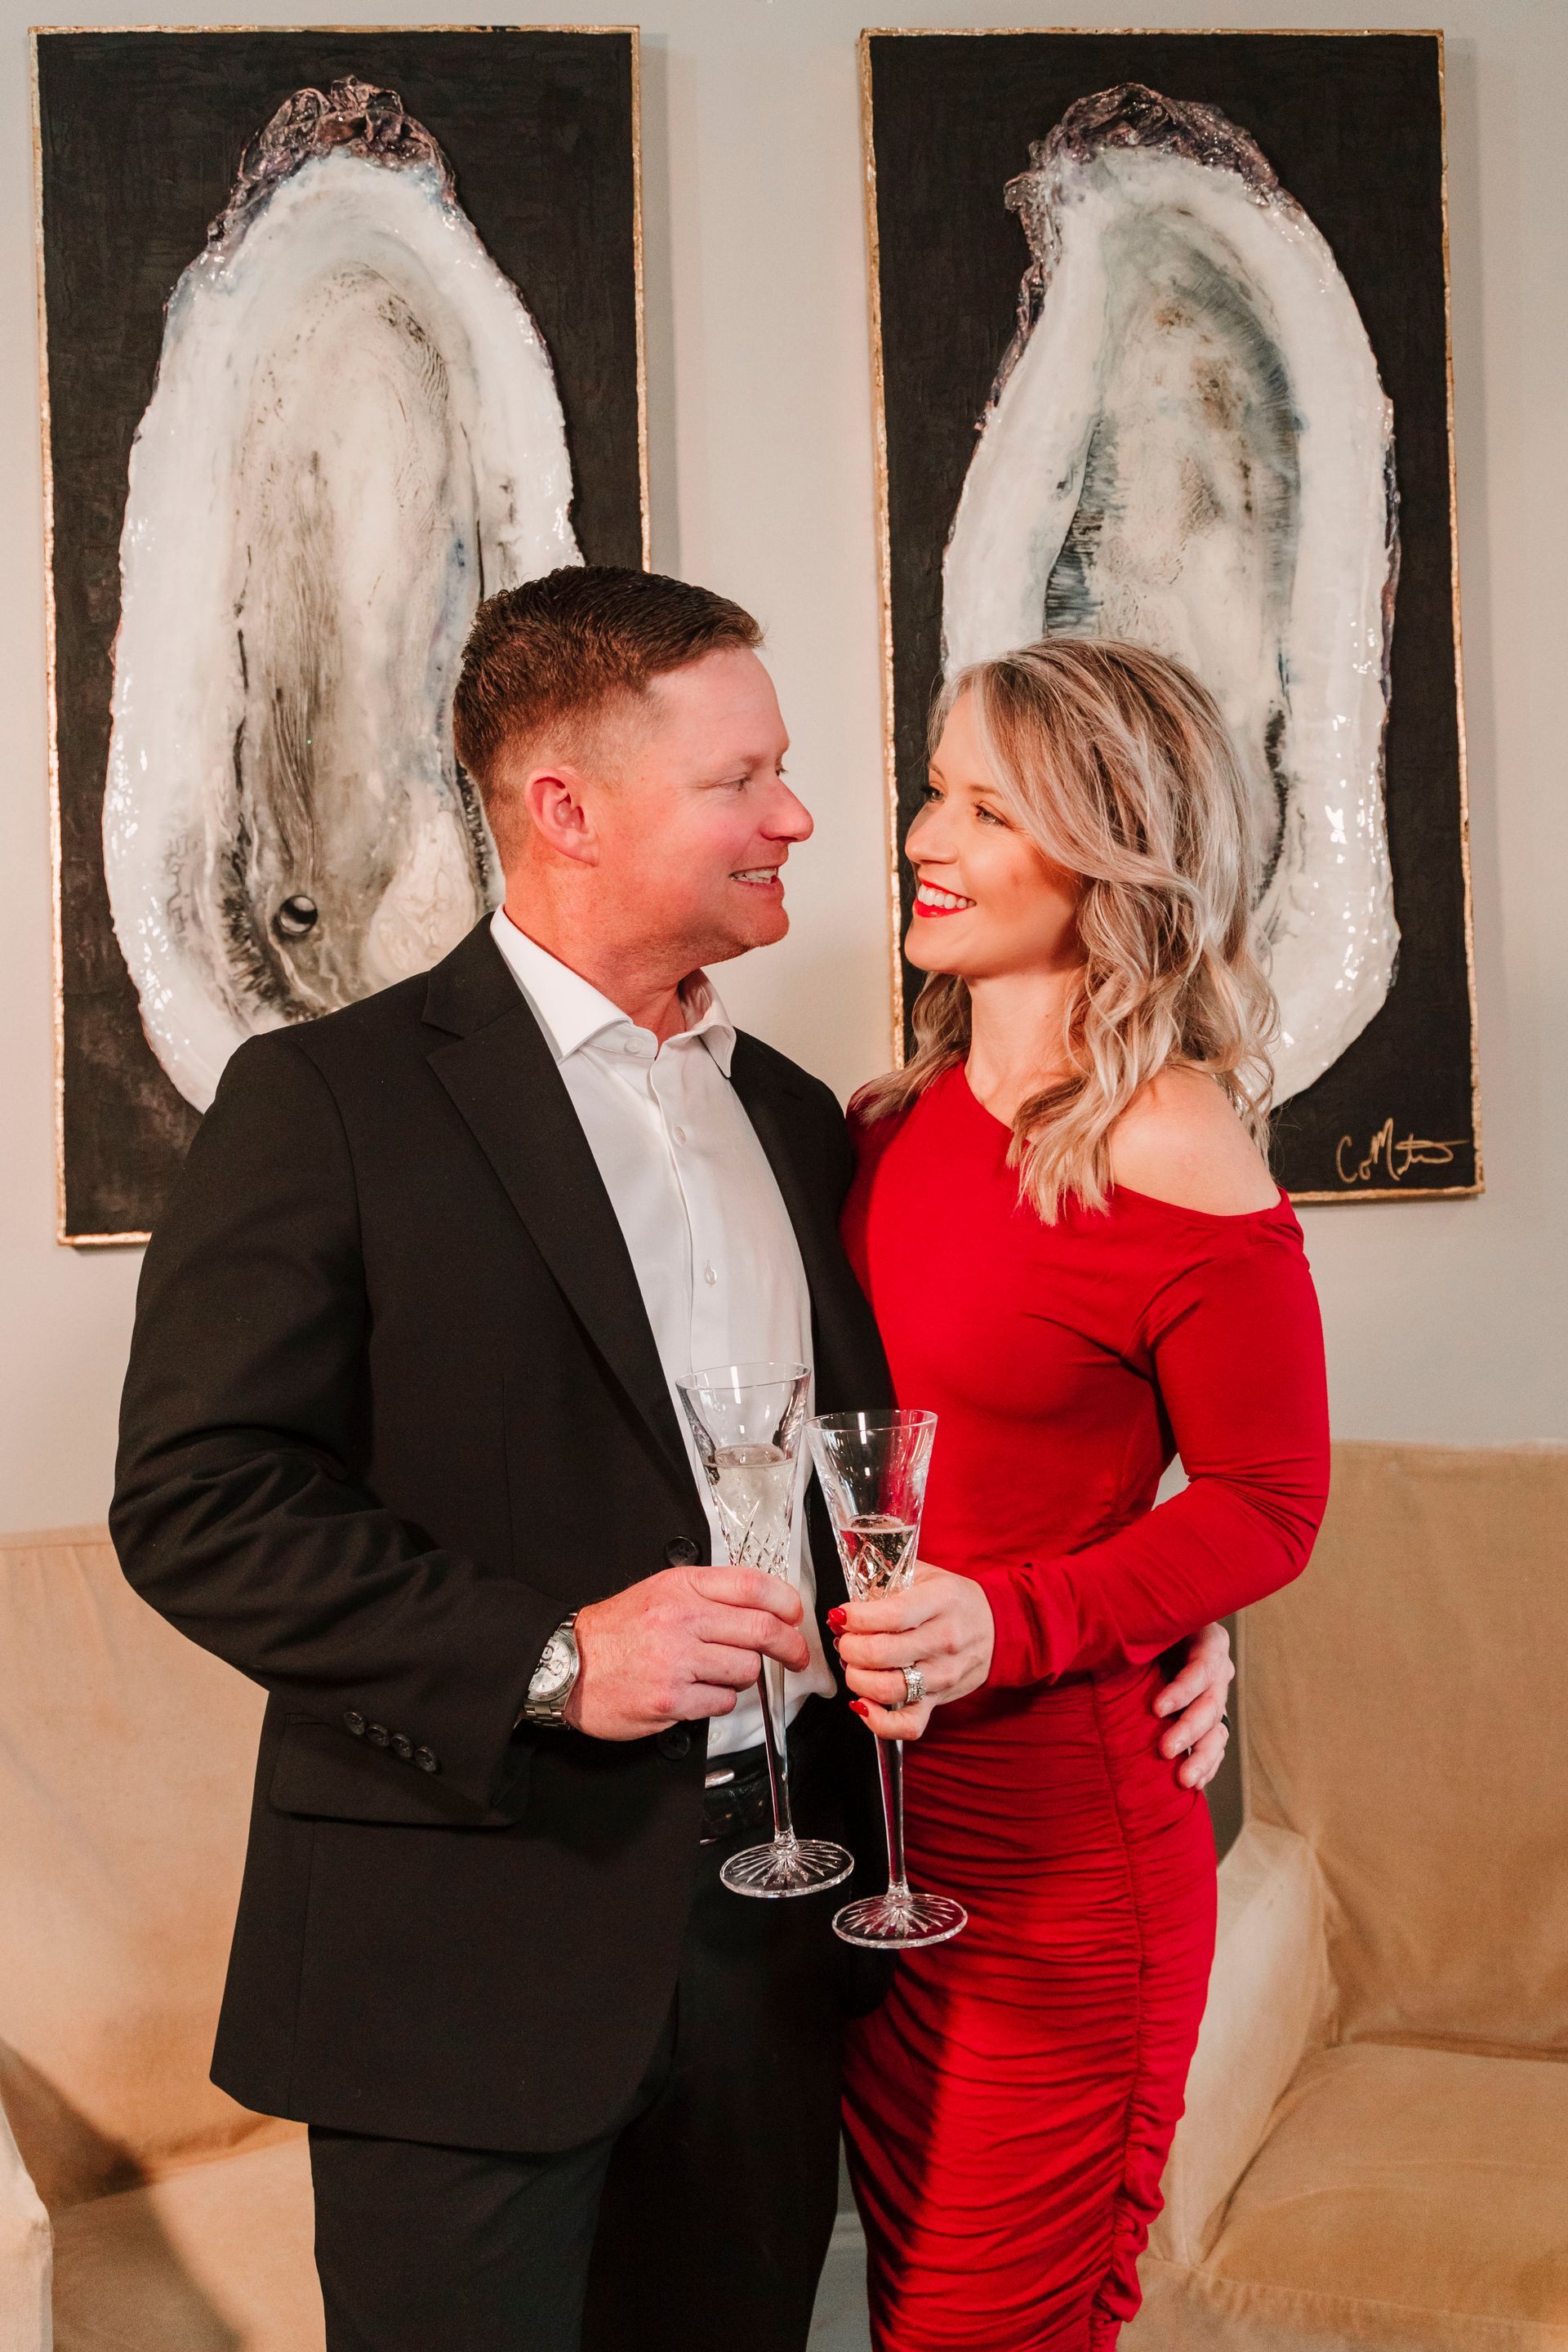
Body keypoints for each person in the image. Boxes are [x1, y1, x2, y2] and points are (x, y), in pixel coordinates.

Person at [110, 568, 1234, 2352]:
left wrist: (1158, 1609)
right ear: (566, 807)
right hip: (462, 1955)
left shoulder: (808, 1122)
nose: (799, 816)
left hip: (775, 1940)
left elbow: (948, 1440)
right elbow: (196, 1501)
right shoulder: (329, 1104)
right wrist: (560, 1657)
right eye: (742, 780)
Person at [831, 638, 1332, 2352]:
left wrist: (1032, 1616)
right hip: (880, 1858)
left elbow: (1270, 1500)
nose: (922, 832)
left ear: (1110, 848)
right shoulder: (885, 1122)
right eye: (932, 789)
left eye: (985, 805)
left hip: (1063, 1879)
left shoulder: (1173, 1134)